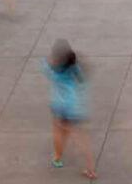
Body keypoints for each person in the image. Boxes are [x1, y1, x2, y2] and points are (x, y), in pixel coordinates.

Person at [46, 41, 97, 178]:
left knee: (60, 131)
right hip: (73, 106)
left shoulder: (53, 69)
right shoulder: (74, 67)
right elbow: (81, 79)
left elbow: (47, 66)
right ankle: (90, 168)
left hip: (59, 106)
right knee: (77, 136)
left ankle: (57, 158)